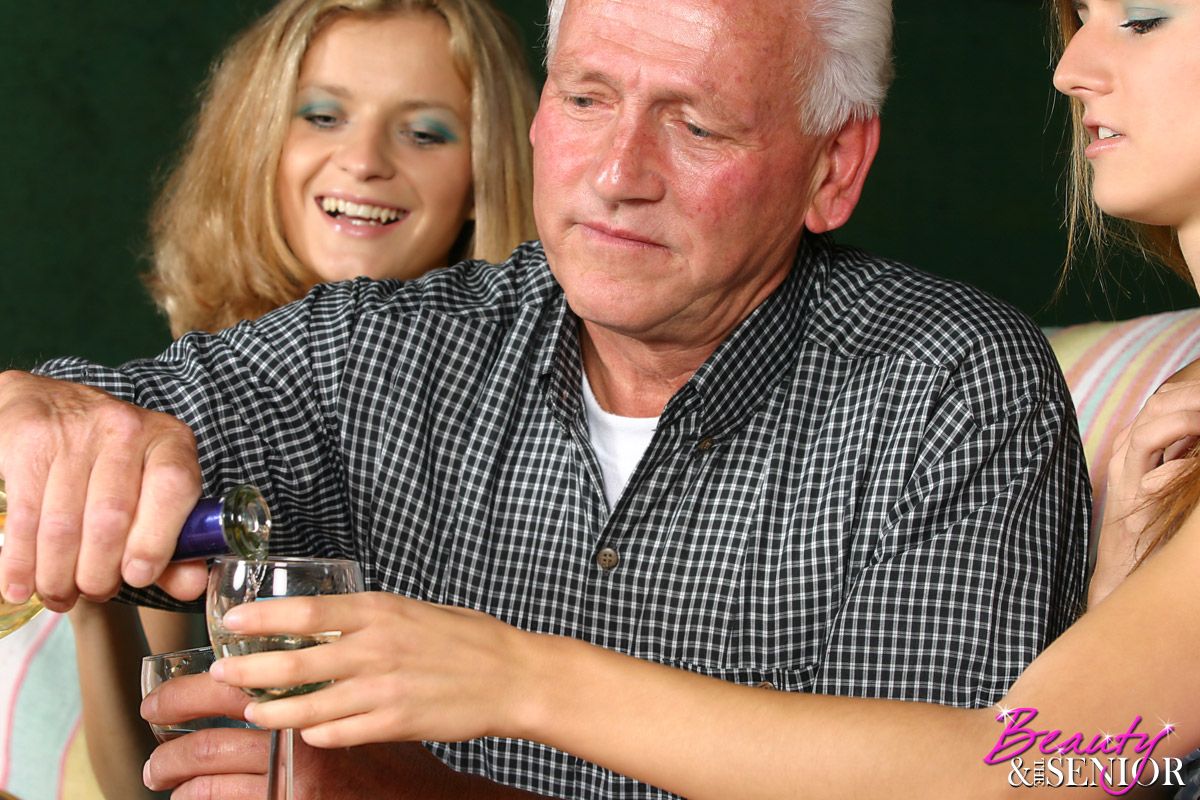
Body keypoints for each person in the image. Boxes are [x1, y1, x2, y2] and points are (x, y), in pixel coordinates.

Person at [0, 0, 1091, 797]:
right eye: (587, 98)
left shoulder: (946, 388)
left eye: (697, 124)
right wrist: (44, 416)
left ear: (833, 168)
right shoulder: (378, 349)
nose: (618, 173)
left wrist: (414, 795)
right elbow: (99, 410)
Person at [30, 0, 536, 797]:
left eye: (425, 132)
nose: (364, 160)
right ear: (262, 140)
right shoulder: (195, 418)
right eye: (324, 116)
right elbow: (142, 783)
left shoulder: (535, 417)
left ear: (482, 177)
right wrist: (95, 591)